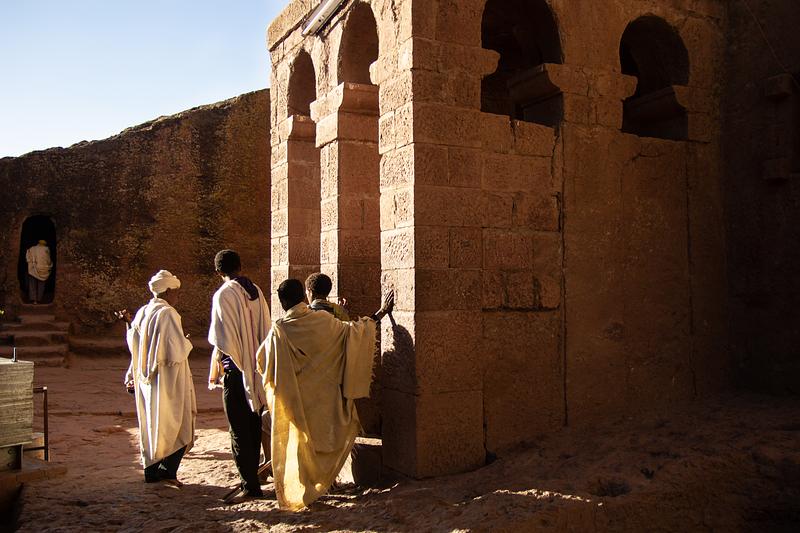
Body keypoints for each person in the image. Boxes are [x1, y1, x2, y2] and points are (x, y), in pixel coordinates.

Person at [257, 278, 393, 511]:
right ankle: (323, 484)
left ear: (282, 302)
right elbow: (355, 332)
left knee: (301, 444)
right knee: (322, 443)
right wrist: (380, 313)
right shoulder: (324, 320)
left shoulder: (280, 329)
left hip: (296, 400)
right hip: (324, 399)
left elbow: (262, 361)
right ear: (303, 296)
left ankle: (305, 490)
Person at [119, 270, 196, 486]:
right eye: (176, 292)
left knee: (151, 424)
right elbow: (174, 351)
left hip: (147, 380)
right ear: (168, 291)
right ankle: (167, 471)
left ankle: (151, 471)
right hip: (168, 380)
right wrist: (186, 342)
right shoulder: (169, 313)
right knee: (178, 423)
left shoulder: (143, 311)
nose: (178, 296)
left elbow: (134, 342)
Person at [207, 249, 271, 501]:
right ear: (240, 266)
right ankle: (252, 480)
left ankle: (249, 486)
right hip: (256, 370)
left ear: (218, 272)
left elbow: (221, 339)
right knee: (253, 426)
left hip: (236, 372)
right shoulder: (256, 291)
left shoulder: (223, 294)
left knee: (238, 430)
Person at [25, 239, 52, 304]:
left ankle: (34, 300)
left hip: (32, 270)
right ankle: (39, 299)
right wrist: (50, 265)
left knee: (32, 284)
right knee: (41, 285)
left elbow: (27, 259)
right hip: (43, 270)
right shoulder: (46, 249)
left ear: (38, 243)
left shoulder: (32, 249)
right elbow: (48, 260)